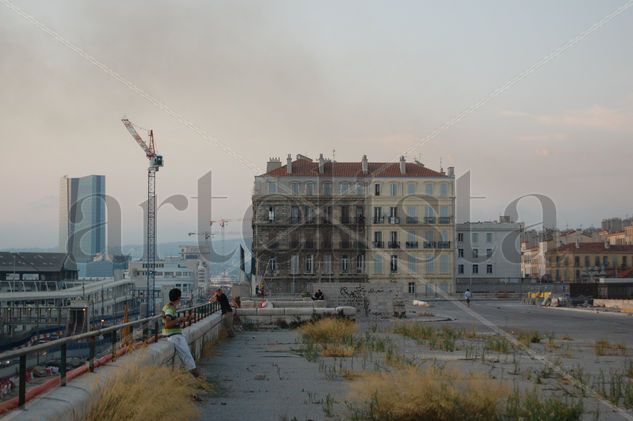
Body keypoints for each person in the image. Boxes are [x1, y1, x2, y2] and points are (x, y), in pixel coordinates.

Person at [162, 288, 200, 377]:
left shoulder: (169, 307)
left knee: (188, 358)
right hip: (175, 336)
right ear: (179, 298)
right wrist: (179, 319)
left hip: (174, 335)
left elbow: (172, 321)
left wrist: (185, 319)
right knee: (188, 359)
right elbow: (167, 324)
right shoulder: (170, 309)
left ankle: (197, 376)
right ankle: (198, 378)